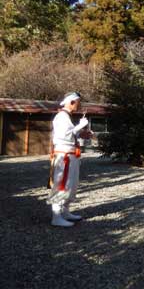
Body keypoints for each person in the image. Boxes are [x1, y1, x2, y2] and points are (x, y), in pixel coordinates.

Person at [47, 92, 89, 227]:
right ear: (72, 102)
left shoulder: (66, 117)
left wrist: (82, 132)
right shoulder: (61, 117)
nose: (78, 105)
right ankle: (56, 216)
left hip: (71, 155)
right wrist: (80, 126)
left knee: (71, 183)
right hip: (64, 156)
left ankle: (65, 211)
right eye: (78, 103)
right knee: (62, 183)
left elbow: (71, 135)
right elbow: (64, 136)